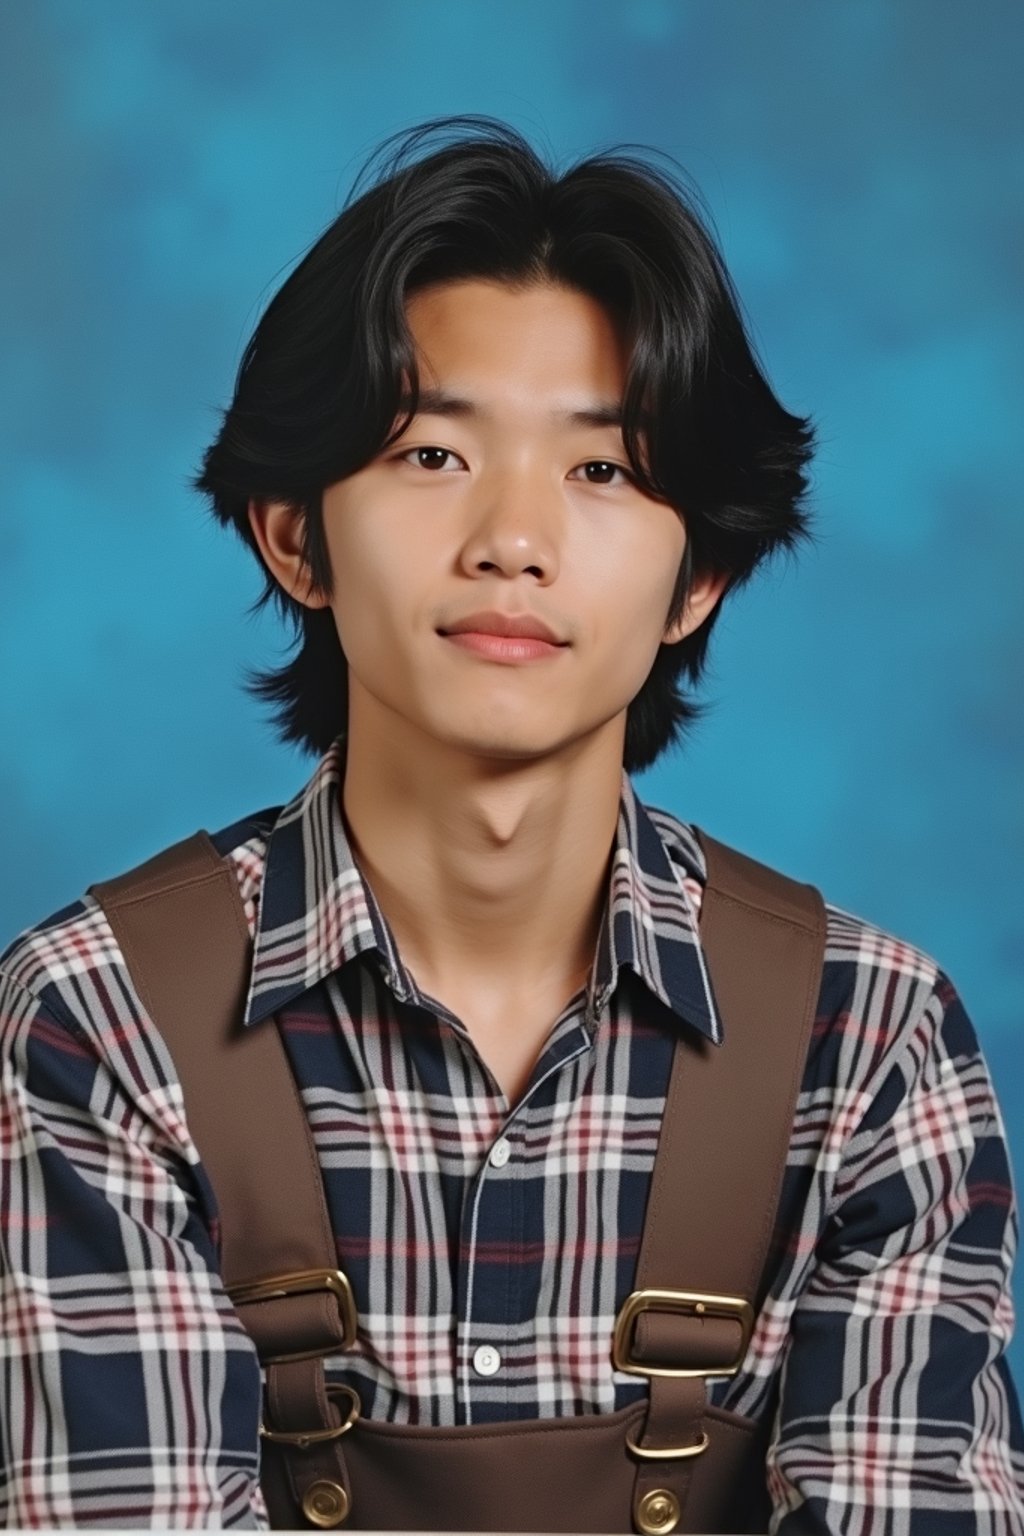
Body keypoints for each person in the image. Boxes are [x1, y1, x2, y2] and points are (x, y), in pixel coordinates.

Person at [1, 117, 1021, 1533]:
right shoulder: (99, 1023)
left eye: (602, 470)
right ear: (295, 534)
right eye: (430, 456)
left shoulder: (866, 1046)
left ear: (699, 577)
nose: (514, 539)